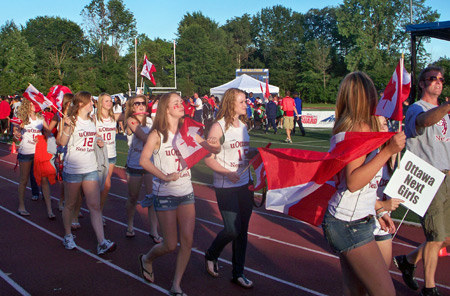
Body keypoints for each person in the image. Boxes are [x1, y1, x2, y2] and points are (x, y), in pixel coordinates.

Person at [321, 72, 405, 296]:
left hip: (350, 218)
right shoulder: (359, 129)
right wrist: (388, 150)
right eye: (373, 94)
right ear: (365, 97)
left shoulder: (345, 127)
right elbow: (354, 181)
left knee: (355, 291)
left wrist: (377, 208)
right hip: (350, 223)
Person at [138, 92, 219, 295]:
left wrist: (215, 145)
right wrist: (164, 177)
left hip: (186, 192)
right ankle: (147, 258)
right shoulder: (157, 134)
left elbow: (211, 149)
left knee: (188, 240)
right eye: (176, 103)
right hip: (165, 193)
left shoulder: (189, 130)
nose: (181, 105)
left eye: (181, 102)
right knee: (170, 244)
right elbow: (144, 161)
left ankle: (176, 284)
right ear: (166, 109)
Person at [395, 65, 450, 296]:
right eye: (432, 79)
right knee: (435, 236)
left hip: (447, 175)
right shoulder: (417, 108)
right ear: (421, 83)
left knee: (445, 237)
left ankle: (408, 260)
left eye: (441, 79)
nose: (437, 82)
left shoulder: (443, 111)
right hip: (429, 177)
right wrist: (447, 106)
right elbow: (425, 122)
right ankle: (430, 288)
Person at [204, 88, 256, 289]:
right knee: (232, 229)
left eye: (245, 102)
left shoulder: (243, 125)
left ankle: (238, 272)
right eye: (242, 102)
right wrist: (226, 172)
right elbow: (209, 159)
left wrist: (256, 154)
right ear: (231, 103)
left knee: (243, 231)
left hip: (245, 184)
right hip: (226, 186)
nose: (246, 105)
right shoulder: (218, 128)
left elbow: (241, 151)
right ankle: (211, 253)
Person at [58, 91, 116, 255]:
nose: (93, 104)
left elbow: (95, 136)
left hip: (90, 167)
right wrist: (67, 127)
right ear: (82, 104)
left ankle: (101, 242)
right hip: (74, 168)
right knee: (70, 204)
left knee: (95, 206)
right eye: (90, 101)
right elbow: (61, 142)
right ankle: (68, 235)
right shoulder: (71, 120)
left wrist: (98, 140)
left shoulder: (92, 120)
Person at [124, 95, 161, 242]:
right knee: (133, 197)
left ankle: (154, 230)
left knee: (152, 197)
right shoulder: (131, 121)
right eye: (137, 103)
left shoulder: (152, 121)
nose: (140, 105)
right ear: (132, 107)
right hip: (135, 163)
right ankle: (130, 224)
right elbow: (145, 138)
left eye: (143, 103)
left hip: (150, 163)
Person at [13, 99, 55, 219]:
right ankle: (21, 206)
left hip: (39, 152)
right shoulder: (22, 118)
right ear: (28, 104)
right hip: (26, 151)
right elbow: (15, 137)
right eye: (32, 103)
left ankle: (49, 210)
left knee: (44, 180)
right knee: (24, 179)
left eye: (36, 103)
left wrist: (43, 137)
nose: (35, 105)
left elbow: (48, 133)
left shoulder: (41, 118)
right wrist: (17, 134)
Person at [373, 116, 404, 267]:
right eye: (378, 125)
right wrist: (383, 206)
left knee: (383, 276)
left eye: (385, 124)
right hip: (364, 224)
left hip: (384, 225)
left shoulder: (392, 156)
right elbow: (357, 191)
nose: (383, 128)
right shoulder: (367, 156)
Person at [96, 93, 122, 225]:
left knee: (106, 185)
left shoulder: (113, 117)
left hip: (111, 155)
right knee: (95, 186)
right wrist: (97, 139)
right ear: (101, 102)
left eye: (110, 101)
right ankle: (77, 211)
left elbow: (129, 114)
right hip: (98, 156)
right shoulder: (94, 118)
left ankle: (99, 212)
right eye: (106, 101)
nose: (109, 103)